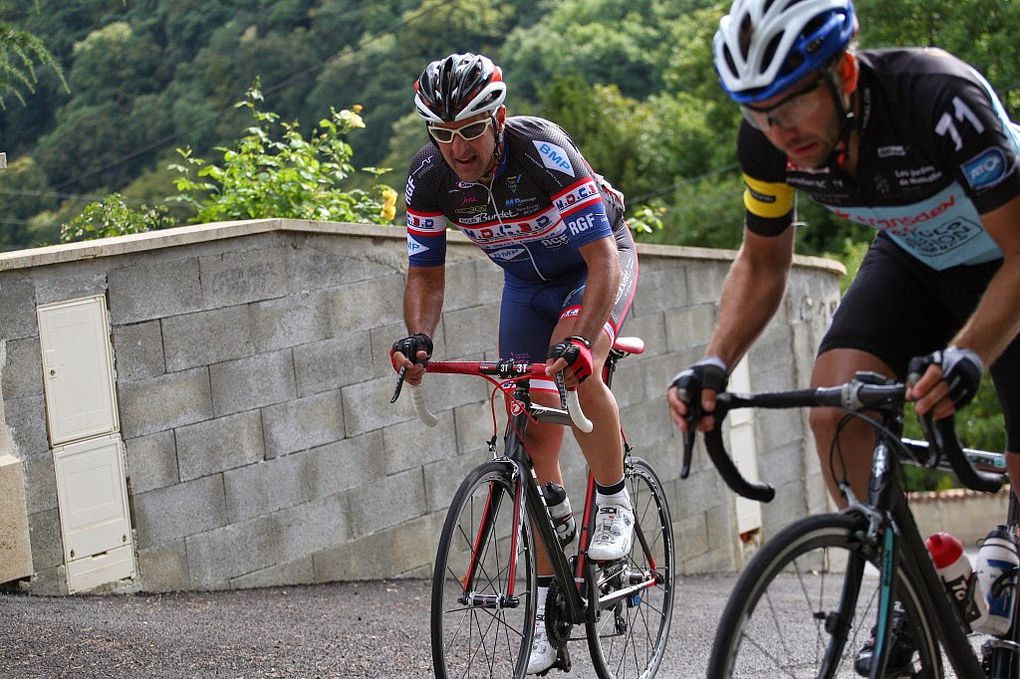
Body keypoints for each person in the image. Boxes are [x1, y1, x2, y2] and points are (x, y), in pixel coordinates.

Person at [667, 0, 1020, 674]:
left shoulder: (938, 99)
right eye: (757, 111)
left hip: (1011, 254)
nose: (778, 129)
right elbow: (764, 261)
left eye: (793, 103)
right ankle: (917, 588)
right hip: (919, 254)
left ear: (846, 74)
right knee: (836, 408)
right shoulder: (769, 146)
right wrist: (715, 361)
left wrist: (969, 352)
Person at [390, 52, 640, 675]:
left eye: (470, 130)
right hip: (526, 288)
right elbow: (425, 272)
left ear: (497, 118)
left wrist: (583, 339)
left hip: (595, 266)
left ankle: (614, 500)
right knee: (530, 444)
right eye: (443, 135)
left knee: (577, 376)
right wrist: (417, 338)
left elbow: (603, 260)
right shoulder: (428, 179)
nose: (458, 147)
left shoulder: (542, 153)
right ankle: (550, 611)